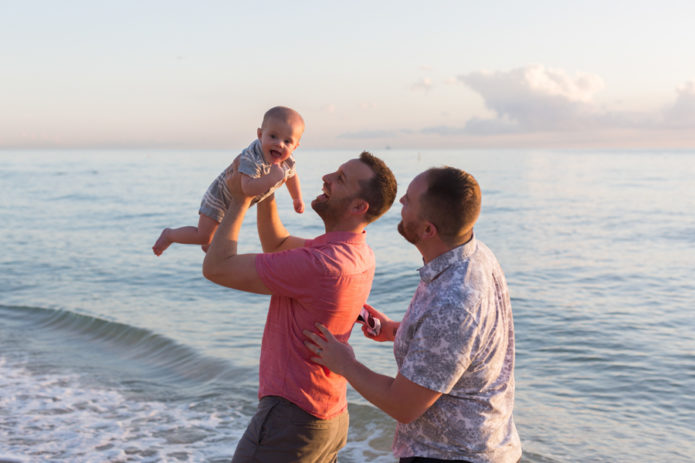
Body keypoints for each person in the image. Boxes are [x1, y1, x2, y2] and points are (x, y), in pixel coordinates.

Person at [304, 167, 522, 463]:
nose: (401, 201)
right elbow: (456, 348)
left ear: (427, 230)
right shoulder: (472, 253)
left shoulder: (454, 303)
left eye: (408, 201)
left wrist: (345, 363)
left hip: (452, 456)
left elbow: (402, 405)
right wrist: (396, 330)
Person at [202, 152, 397, 462]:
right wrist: (265, 189)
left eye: (340, 179)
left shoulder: (321, 264)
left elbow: (217, 267)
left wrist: (240, 199)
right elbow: (276, 244)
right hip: (328, 417)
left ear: (360, 207)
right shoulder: (356, 252)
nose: (326, 178)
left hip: (291, 418)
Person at [153, 106, 305, 256]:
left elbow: (291, 176)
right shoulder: (251, 158)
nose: (279, 144)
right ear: (260, 134)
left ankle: (209, 247)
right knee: (203, 235)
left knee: (214, 237)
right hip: (219, 197)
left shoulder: (287, 161)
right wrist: (271, 178)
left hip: (234, 203)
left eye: (287, 141)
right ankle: (169, 235)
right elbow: (247, 189)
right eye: (273, 136)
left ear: (295, 146)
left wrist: (297, 198)